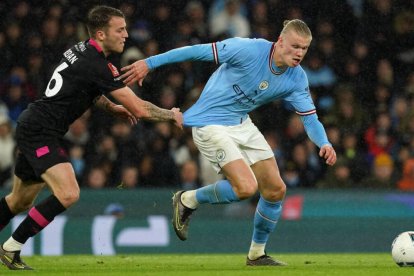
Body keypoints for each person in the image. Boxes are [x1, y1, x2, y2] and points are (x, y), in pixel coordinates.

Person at [121, 19, 336, 266]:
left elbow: (310, 119)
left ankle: (257, 254)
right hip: (209, 123)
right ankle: (187, 199)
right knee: (245, 188)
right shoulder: (248, 50)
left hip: (241, 123)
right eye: (295, 46)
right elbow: (195, 51)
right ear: (280, 41)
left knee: (276, 189)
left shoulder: (297, 78)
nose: (299, 53)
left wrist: (324, 143)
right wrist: (150, 63)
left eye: (305, 48)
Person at [0, 5, 182, 270]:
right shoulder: (97, 64)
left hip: (34, 126)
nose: (126, 35)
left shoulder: (82, 49)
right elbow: (140, 109)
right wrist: (171, 114)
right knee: (69, 192)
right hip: (40, 132)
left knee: (19, 201)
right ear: (100, 33)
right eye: (119, 30)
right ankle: (11, 248)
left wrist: (113, 108)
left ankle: (10, 248)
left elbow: (89, 91)